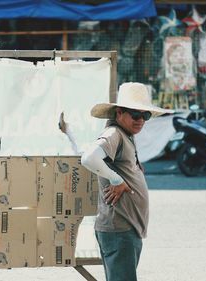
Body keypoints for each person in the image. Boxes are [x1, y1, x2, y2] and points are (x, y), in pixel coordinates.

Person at [80, 82, 172, 281]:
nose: (141, 120)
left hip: (125, 229)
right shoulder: (114, 133)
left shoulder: (126, 135)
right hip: (119, 229)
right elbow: (88, 158)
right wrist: (116, 179)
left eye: (145, 115)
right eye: (135, 114)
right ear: (119, 113)